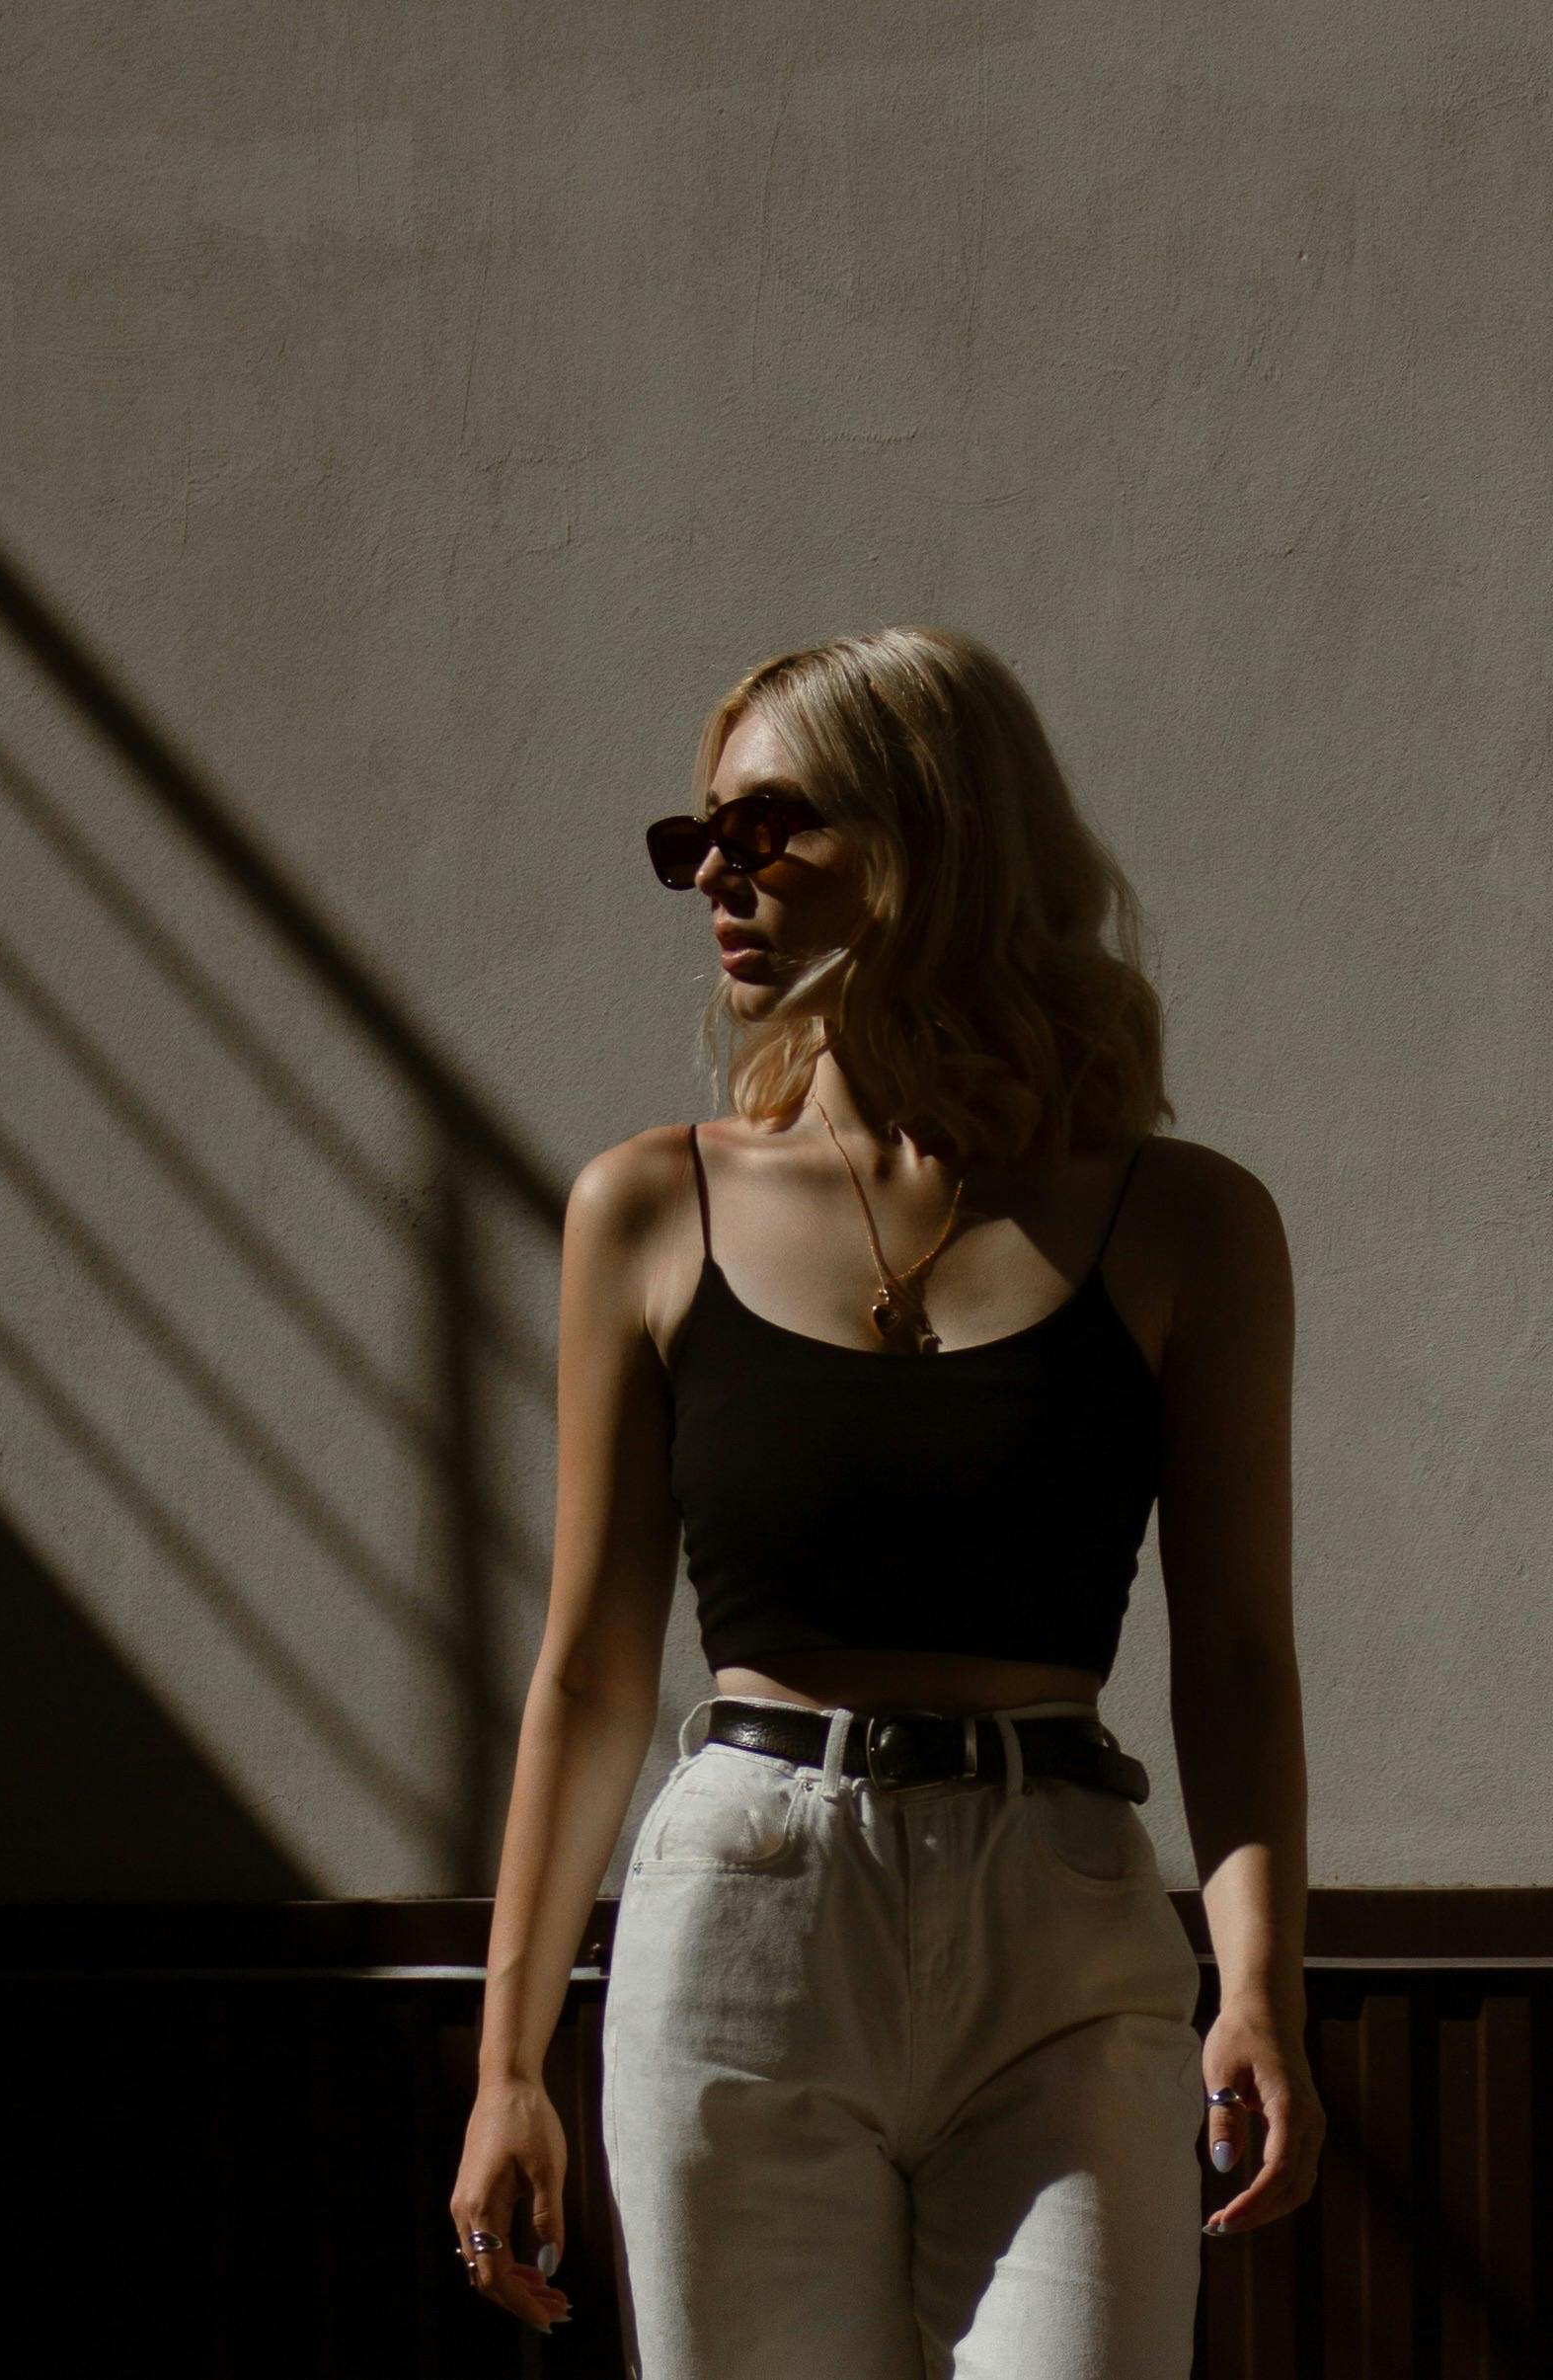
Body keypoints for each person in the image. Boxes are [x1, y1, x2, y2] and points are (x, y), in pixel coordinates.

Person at [449, 624, 1324, 2376]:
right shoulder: (647, 1208)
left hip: (1063, 1920)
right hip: (742, 1924)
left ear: (934, 839)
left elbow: (1233, 1649)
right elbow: (590, 1666)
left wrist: (1260, 1981)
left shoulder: (1182, 1222)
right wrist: (506, 2062)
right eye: (695, 839)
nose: (718, 875)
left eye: (768, 829)